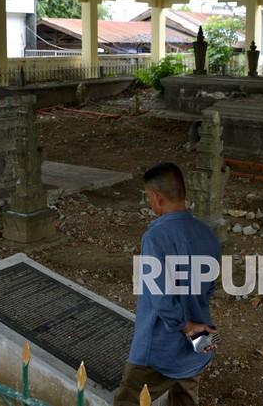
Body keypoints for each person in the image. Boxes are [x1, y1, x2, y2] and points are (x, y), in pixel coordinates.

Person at [113, 162, 220, 406]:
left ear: (157, 197)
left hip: (160, 344)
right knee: (186, 398)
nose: (149, 202)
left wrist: (183, 324)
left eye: (148, 197)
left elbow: (159, 295)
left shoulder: (155, 237)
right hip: (198, 341)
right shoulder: (207, 234)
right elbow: (209, 288)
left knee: (128, 399)